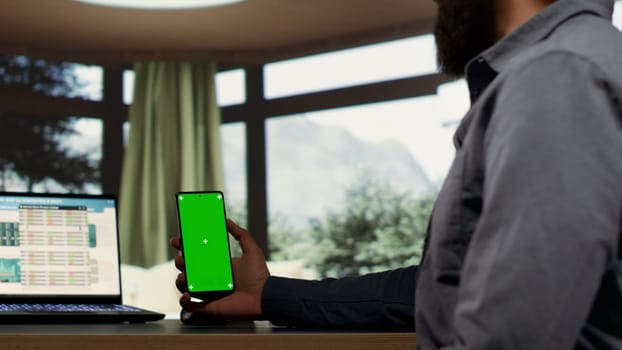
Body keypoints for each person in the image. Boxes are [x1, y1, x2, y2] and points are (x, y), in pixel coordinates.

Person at [171, 0, 622, 348]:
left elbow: (513, 332)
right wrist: (266, 294)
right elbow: (444, 291)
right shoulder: (575, 63)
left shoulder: (557, 74)